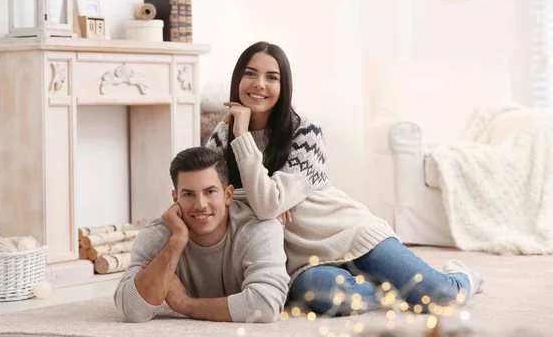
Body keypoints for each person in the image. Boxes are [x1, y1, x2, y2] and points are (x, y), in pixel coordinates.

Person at [206, 41, 484, 316]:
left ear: (283, 87)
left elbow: (266, 204)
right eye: (250, 73)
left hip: (350, 235)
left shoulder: (305, 131)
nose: (259, 84)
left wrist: (244, 141)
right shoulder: (221, 136)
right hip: (305, 264)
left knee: (443, 297)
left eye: (272, 77)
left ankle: (463, 275)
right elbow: (219, 199)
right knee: (328, 297)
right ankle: (385, 287)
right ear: (238, 78)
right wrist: (269, 200)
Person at [113, 146, 290, 323]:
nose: (200, 204)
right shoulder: (158, 234)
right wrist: (177, 240)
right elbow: (132, 310)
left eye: (210, 192)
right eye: (189, 194)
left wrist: (184, 304)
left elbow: (265, 306)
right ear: (175, 199)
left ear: (228, 195)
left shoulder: (259, 227)